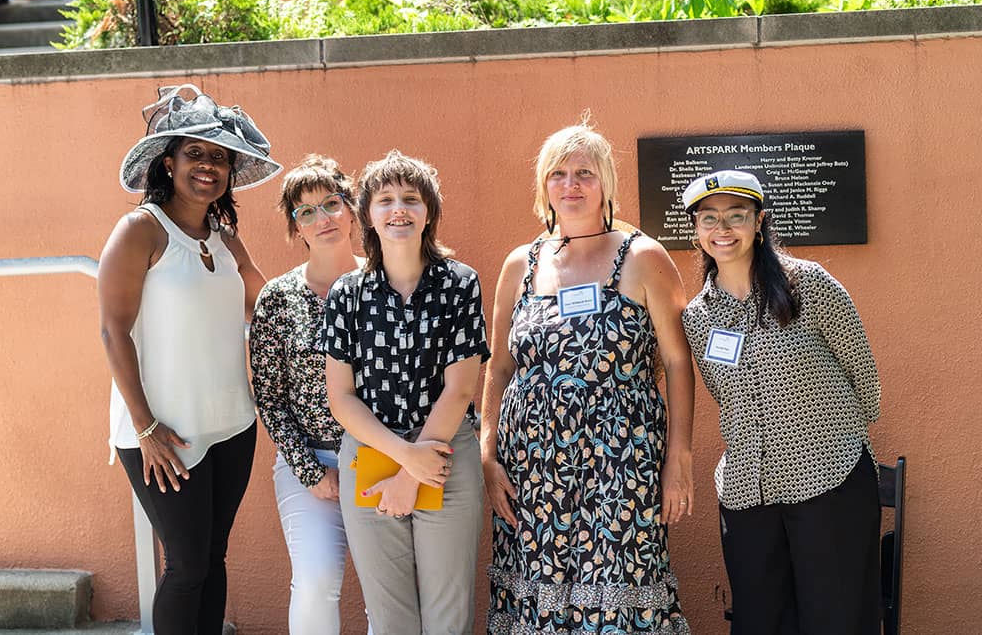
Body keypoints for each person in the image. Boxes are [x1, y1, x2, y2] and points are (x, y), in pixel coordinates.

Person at [482, 123, 694, 634]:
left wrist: (678, 457)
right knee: (538, 581)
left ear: (606, 183)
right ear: (542, 187)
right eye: (557, 174)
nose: (570, 184)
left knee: (622, 579)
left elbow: (678, 362)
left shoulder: (643, 257)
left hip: (621, 460)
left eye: (584, 173)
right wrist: (488, 449)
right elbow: (501, 362)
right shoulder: (520, 264)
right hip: (531, 464)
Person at [98, 84, 281, 635]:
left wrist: (343, 284)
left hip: (233, 425)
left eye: (220, 157)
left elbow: (267, 300)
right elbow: (113, 331)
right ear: (168, 161)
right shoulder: (141, 230)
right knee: (185, 566)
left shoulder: (225, 236)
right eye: (195, 153)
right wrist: (145, 426)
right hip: (164, 433)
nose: (208, 166)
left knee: (213, 558)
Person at [679, 170, 881, 635]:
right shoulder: (696, 317)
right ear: (696, 230)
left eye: (736, 216)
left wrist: (840, 440)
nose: (723, 229)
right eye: (709, 218)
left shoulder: (808, 284)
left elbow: (863, 374)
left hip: (828, 478)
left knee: (838, 617)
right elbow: (724, 396)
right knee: (761, 619)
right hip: (748, 492)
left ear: (759, 221)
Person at [322, 150, 490, 634]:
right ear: (367, 215)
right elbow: (341, 397)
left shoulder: (461, 284)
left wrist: (416, 471)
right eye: (385, 199)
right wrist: (402, 462)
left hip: (444, 455)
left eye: (411, 199)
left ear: (429, 212)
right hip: (371, 452)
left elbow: (459, 390)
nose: (399, 209)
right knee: (390, 617)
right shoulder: (347, 294)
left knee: (447, 614)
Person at [249, 155, 370, 634]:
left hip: (381, 459)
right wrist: (308, 469)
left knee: (390, 588)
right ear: (295, 227)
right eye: (306, 212)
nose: (322, 220)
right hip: (311, 465)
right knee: (317, 580)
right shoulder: (278, 299)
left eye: (331, 205)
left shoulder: (382, 282)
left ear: (352, 210)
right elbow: (270, 397)